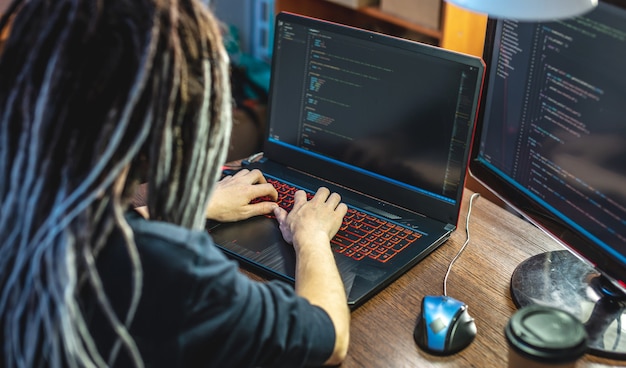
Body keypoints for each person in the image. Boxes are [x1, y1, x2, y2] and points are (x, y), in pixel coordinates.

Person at [0, 0, 350, 367]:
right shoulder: (160, 269)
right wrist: (310, 235)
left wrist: (198, 206)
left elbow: (84, 231)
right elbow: (328, 337)